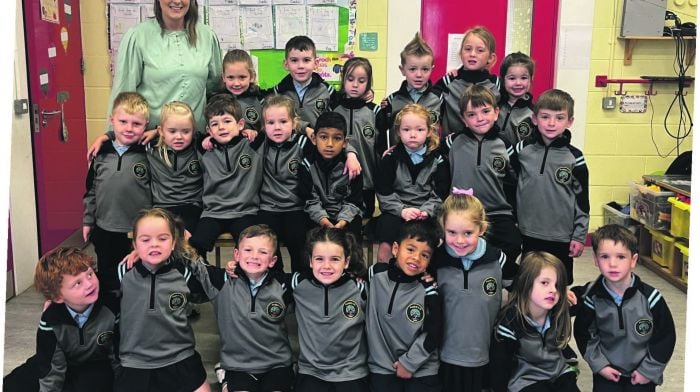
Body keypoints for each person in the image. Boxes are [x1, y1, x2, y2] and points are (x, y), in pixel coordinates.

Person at [429, 190, 518, 392]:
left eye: (468, 233)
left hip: (485, 354)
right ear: (443, 229)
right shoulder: (437, 261)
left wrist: (558, 291)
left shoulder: (497, 259)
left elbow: (523, 283)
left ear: (482, 229)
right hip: (446, 355)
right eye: (451, 232)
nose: (459, 241)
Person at [114, 208, 209, 392]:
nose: (154, 245)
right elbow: (89, 291)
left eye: (162, 238)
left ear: (173, 243)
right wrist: (56, 301)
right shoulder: (122, 272)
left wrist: (188, 251)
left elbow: (217, 283)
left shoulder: (184, 272)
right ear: (134, 244)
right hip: (135, 362)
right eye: (145, 240)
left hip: (179, 357)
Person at [572, 224, 676, 392]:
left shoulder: (651, 298)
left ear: (633, 260)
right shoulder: (592, 298)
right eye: (605, 256)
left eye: (621, 257)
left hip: (642, 374)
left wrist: (647, 371)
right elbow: (584, 335)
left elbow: (665, 338)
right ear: (595, 260)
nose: (612, 264)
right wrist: (600, 365)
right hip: (607, 372)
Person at [191, 224, 294, 392]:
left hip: (277, 364)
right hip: (238, 366)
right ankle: (225, 375)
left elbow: (318, 275)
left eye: (263, 252)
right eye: (248, 250)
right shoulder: (222, 281)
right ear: (236, 255)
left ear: (273, 261)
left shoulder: (284, 285)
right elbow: (193, 263)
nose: (254, 256)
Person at [3, 247, 119, 392]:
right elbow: (51, 368)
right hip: (61, 360)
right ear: (58, 297)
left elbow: (118, 357)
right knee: (14, 384)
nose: (89, 284)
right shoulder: (51, 320)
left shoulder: (110, 307)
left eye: (90, 274)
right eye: (77, 283)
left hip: (97, 363)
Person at [106, 0, 222, 135]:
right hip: (152, 140)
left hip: (196, 140)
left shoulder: (207, 35)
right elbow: (123, 94)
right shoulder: (139, 36)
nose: (177, 1)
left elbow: (215, 88)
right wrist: (111, 139)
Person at [514, 89, 589, 285]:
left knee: (558, 284)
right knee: (530, 282)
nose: (551, 123)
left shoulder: (575, 157)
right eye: (545, 117)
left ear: (570, 121)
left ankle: (558, 317)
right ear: (535, 119)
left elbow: (582, 201)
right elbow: (510, 187)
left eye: (559, 117)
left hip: (560, 235)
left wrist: (579, 236)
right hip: (527, 232)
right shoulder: (522, 150)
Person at [441, 85, 521, 266]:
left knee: (513, 242)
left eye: (485, 111)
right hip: (461, 212)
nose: (479, 119)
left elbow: (515, 181)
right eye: (471, 114)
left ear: (496, 112)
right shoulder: (452, 142)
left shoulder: (505, 144)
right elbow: (427, 152)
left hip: (497, 211)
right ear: (463, 118)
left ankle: (495, 277)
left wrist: (515, 215)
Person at [83, 92, 151, 292]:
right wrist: (88, 220)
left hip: (136, 231)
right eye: (123, 122)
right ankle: (110, 315)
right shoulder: (100, 152)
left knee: (137, 277)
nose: (129, 128)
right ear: (112, 121)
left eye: (136, 124)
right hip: (105, 228)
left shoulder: (149, 153)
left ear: (146, 125)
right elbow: (91, 190)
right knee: (107, 276)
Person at [366, 220, 443, 392]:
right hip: (382, 367)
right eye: (410, 249)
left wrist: (409, 363)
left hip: (422, 368)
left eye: (425, 255)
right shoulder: (375, 275)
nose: (416, 258)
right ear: (395, 249)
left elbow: (435, 331)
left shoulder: (429, 290)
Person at [291, 226, 369, 391]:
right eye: (319, 259)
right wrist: (237, 268)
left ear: (346, 262)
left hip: (351, 371)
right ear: (311, 261)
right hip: (311, 371)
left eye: (335, 259)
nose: (327, 266)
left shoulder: (359, 287)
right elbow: (262, 279)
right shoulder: (298, 283)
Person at [490, 252, 579, 392]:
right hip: (527, 379)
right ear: (526, 284)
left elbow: (591, 295)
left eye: (557, 285)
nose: (553, 290)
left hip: (558, 372)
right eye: (545, 283)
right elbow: (500, 367)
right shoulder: (510, 322)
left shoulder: (558, 311)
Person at [188, 94, 265, 258]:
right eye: (215, 124)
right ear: (209, 131)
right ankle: (204, 280)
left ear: (240, 124)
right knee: (196, 246)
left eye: (227, 121)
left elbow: (275, 129)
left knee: (249, 248)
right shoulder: (204, 148)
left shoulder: (252, 144)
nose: (221, 127)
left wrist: (253, 132)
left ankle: (242, 279)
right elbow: (181, 131)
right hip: (213, 213)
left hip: (245, 212)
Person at [374, 104, 450, 262]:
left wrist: (426, 211)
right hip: (397, 211)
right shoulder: (390, 158)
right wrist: (402, 210)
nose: (413, 135)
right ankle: (383, 276)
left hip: (427, 212)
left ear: (429, 131)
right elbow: (384, 192)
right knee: (387, 238)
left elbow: (441, 193)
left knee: (437, 240)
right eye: (406, 130)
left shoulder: (439, 159)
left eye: (419, 130)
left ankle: (427, 279)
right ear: (398, 132)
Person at [298, 111, 364, 242]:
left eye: (337, 138)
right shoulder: (306, 165)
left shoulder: (353, 166)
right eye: (323, 137)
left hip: (346, 217)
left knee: (352, 236)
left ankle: (352, 262)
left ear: (345, 142)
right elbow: (309, 200)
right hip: (317, 216)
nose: (329, 144)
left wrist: (342, 221)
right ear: (314, 139)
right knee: (307, 236)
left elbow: (355, 201)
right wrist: (324, 221)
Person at [331, 57, 381, 218]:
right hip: (339, 179)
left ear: (368, 83)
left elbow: (381, 147)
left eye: (361, 80)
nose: (355, 85)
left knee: (365, 218)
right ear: (343, 79)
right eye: (350, 79)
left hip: (368, 179)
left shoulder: (376, 112)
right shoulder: (333, 109)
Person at [377, 33, 443, 153]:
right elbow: (380, 130)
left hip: (430, 160)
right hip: (400, 162)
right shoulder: (392, 100)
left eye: (425, 69)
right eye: (412, 69)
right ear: (402, 70)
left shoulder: (439, 98)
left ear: (432, 69)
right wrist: (384, 152)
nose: (419, 74)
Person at [434, 26, 500, 134]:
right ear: (461, 53)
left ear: (490, 58)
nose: (472, 54)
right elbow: (427, 102)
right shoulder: (448, 82)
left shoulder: (497, 84)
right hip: (453, 147)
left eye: (480, 50)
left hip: (486, 146)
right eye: (468, 49)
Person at [272, 35, 338, 128]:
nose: (300, 66)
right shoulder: (278, 92)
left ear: (315, 64)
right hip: (288, 142)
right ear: (286, 64)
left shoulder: (327, 91)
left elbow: (342, 113)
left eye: (306, 60)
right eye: (294, 60)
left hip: (316, 141)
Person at [216, 49, 265, 132]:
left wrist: (256, 134)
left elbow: (267, 130)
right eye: (231, 77)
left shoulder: (261, 99)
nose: (236, 83)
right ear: (224, 77)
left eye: (242, 77)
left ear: (252, 77)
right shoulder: (216, 102)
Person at [497, 52, 537, 146]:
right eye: (512, 78)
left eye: (523, 78)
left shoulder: (534, 113)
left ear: (531, 79)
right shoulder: (494, 105)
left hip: (520, 159)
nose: (518, 83)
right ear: (503, 80)